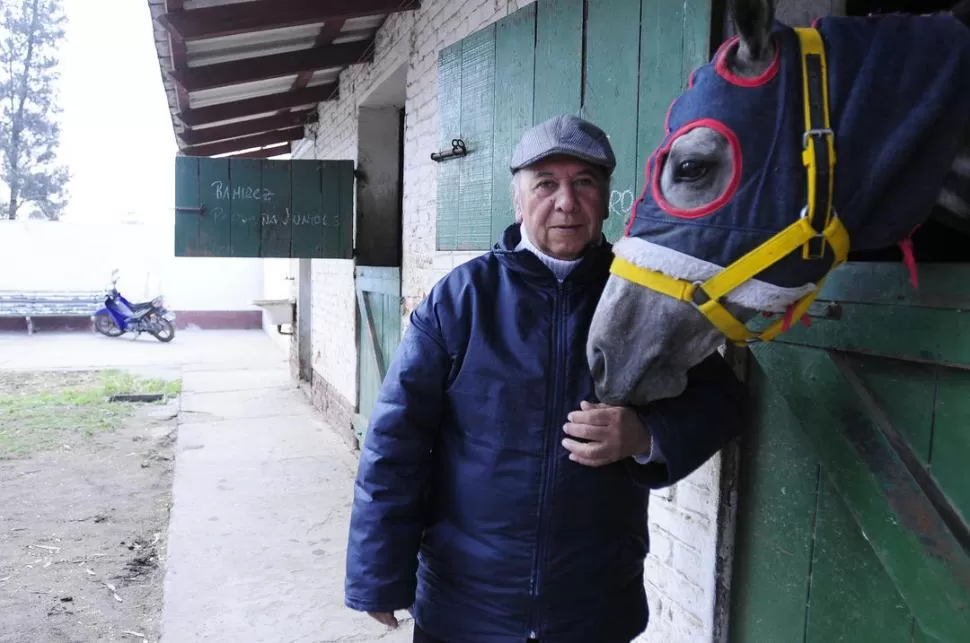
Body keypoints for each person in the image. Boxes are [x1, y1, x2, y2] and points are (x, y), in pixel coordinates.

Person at [344, 114, 745, 643]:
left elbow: (723, 403)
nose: (566, 202)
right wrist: (379, 573)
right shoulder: (461, 302)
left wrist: (645, 435)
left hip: (594, 605)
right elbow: (395, 441)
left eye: (584, 183)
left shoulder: (643, 301)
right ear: (518, 201)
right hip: (467, 605)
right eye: (546, 185)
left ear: (605, 198)